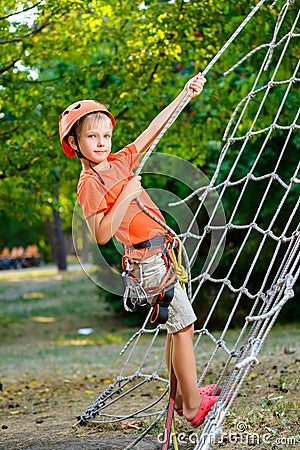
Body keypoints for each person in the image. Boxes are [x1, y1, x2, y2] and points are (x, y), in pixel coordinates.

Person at [59, 74, 221, 427]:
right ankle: (192, 407)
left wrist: (183, 95)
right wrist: (128, 197)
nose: (101, 143)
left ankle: (183, 395)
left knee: (176, 326)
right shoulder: (89, 184)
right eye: (91, 136)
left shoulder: (118, 162)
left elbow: (152, 131)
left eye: (106, 136)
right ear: (74, 142)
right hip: (145, 262)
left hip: (163, 255)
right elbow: (101, 235)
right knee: (184, 327)